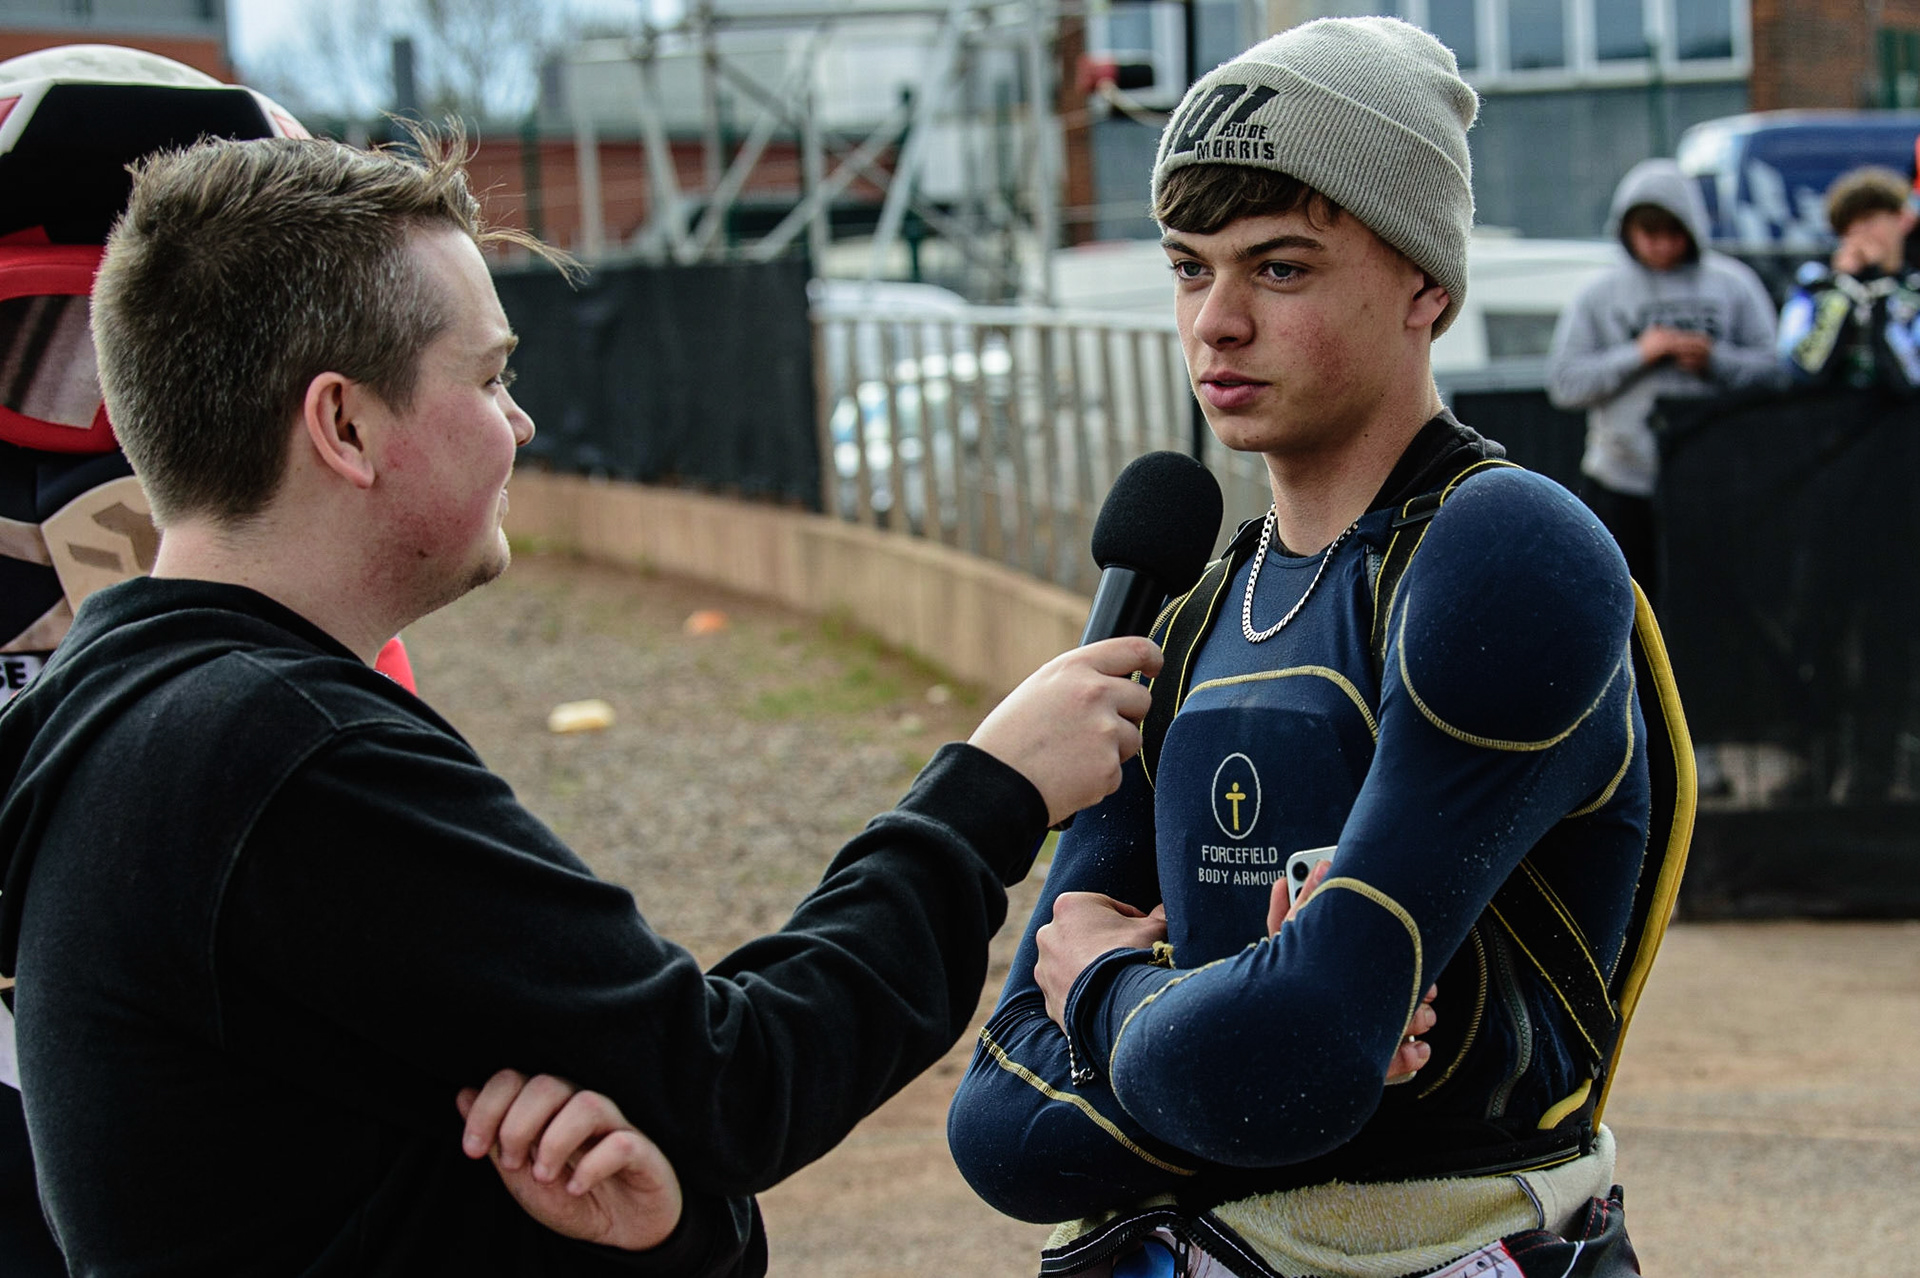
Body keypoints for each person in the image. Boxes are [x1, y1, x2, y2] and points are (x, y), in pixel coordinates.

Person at [0, 129, 1161, 1276]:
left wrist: (674, 1232)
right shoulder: (283, 756)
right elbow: (736, 1081)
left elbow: (390, 1200)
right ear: (344, 426)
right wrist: (989, 796)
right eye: (491, 377)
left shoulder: (120, 714)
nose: (522, 424)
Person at [948, 19, 1656, 1277]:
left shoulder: (1503, 557)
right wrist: (1230, 1036)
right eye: (1187, 266)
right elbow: (1004, 1121)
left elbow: (1299, 1059)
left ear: (1426, 287)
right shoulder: (1190, 608)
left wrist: (1115, 993)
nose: (1214, 323)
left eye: (1278, 269)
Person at [1546, 156, 1780, 601]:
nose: (1661, 247)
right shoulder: (1599, 294)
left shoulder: (1734, 285)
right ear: (1628, 231)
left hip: (1714, 483)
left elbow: (1776, 372)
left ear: (1691, 230)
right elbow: (1564, 383)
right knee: (1623, 606)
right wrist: (1640, 354)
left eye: (1673, 235)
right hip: (1621, 483)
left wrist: (1716, 361)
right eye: (1649, 235)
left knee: (1711, 610)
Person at [1778, 165, 1920, 394]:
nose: (1858, 234)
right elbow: (1804, 369)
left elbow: (1910, 378)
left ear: (1902, 220)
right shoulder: (1815, 284)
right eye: (1847, 229)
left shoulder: (1914, 290)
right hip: (1829, 421)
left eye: (1868, 220)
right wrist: (1845, 288)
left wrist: (1879, 291)